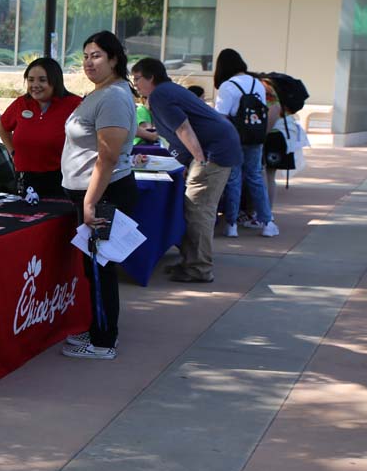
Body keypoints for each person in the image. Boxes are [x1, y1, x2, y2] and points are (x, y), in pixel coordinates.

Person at [60, 31, 138, 361]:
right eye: (86, 55)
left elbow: (107, 156)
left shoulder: (114, 97)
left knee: (99, 267)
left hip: (103, 196)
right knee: (93, 266)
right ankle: (96, 328)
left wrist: (90, 202)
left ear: (114, 59)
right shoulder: (101, 93)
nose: (89, 62)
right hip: (90, 194)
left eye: (97, 56)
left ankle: (104, 340)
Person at [132, 58, 242, 283]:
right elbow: (179, 136)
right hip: (217, 147)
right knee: (194, 207)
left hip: (213, 152)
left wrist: (199, 162)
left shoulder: (161, 94)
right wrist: (185, 163)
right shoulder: (168, 91)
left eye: (137, 78)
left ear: (151, 77)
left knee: (198, 209)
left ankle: (199, 268)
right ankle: (190, 261)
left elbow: (183, 129)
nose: (135, 84)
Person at [213, 49, 278, 238]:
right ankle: (268, 222)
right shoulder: (257, 83)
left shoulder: (227, 86)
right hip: (255, 136)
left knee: (234, 179)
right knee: (255, 177)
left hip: (234, 137)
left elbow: (221, 116)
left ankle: (231, 225)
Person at [0, 57, 82, 197]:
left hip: (61, 181)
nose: (35, 85)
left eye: (42, 80)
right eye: (31, 80)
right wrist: (12, 152)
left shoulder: (74, 104)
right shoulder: (21, 103)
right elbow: (2, 126)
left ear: (55, 81)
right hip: (25, 180)